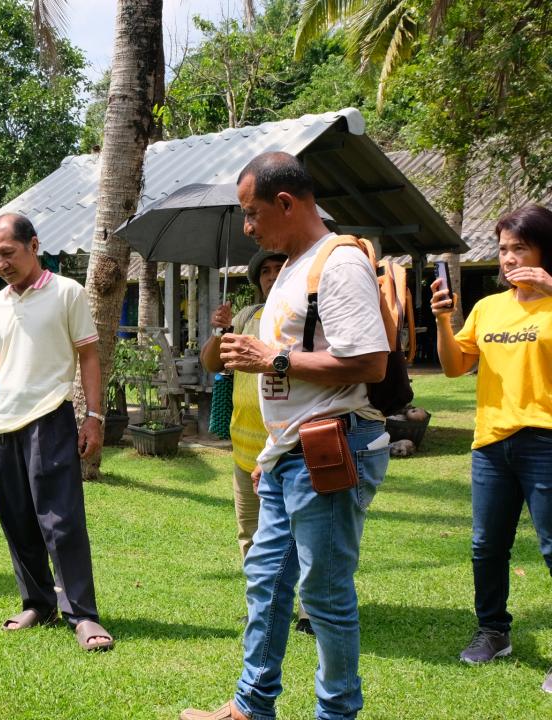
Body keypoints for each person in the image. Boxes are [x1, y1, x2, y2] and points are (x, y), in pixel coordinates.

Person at [182, 152, 391, 720]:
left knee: (323, 597)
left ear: (285, 203)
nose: (248, 227)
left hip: (330, 449)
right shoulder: (291, 268)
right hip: (287, 456)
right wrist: (273, 453)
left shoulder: (337, 261)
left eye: (252, 214)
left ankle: (337, 713)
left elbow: (369, 363)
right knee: (267, 587)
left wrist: (270, 358)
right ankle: (250, 706)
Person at [0, 213, 113, 653]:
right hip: (3, 428)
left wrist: (94, 416)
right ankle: (37, 601)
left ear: (34, 245)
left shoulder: (67, 293)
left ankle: (83, 615)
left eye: (8, 253)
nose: (1, 263)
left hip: (49, 418)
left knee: (61, 521)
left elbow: (89, 357)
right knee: (16, 520)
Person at [431, 204, 552, 694]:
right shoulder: (487, 309)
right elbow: (455, 367)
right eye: (503, 249)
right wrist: (442, 320)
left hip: (546, 440)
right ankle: (493, 632)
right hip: (491, 444)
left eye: (518, 248)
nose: (507, 259)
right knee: (486, 547)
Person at [199, 250, 313, 634]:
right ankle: (262, 605)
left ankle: (308, 612)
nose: (271, 275)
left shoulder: (304, 315)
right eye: (263, 270)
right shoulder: (247, 318)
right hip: (245, 447)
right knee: (250, 533)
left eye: (278, 267)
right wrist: (221, 331)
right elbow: (213, 364)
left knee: (299, 531)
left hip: (289, 447)